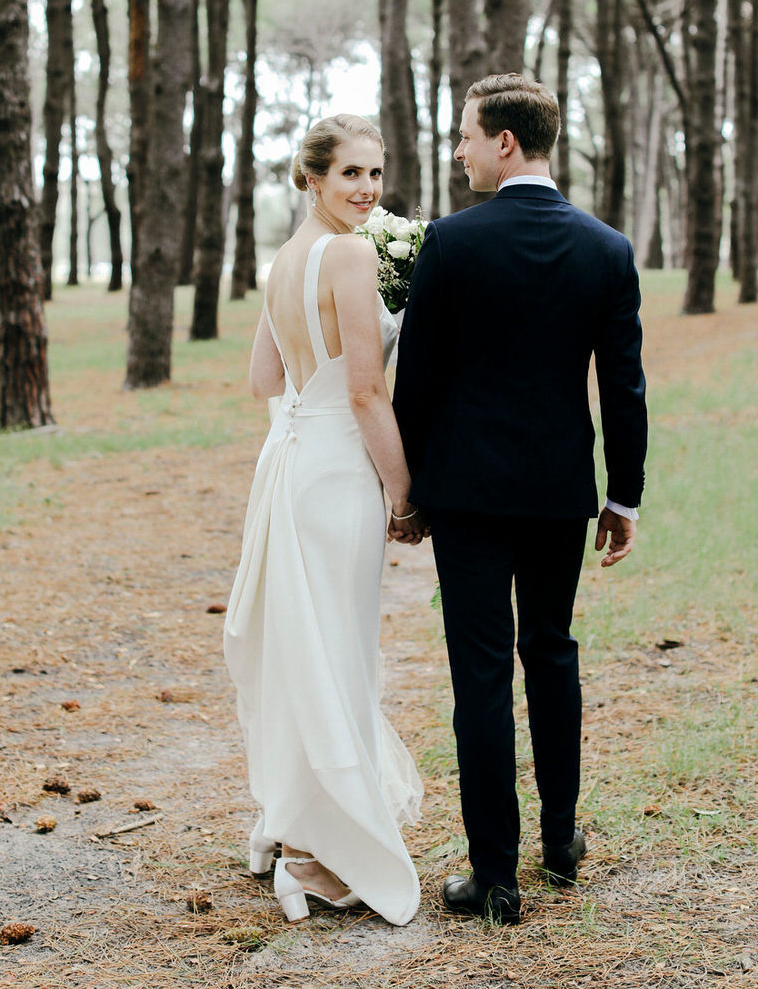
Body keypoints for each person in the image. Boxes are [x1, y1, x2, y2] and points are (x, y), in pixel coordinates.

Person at [393, 73, 648, 923]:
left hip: (465, 494)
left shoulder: (451, 243)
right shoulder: (605, 249)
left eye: (466, 135)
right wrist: (625, 498)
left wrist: (414, 488)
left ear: (506, 142)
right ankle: (562, 844)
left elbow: (416, 380)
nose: (458, 149)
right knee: (552, 652)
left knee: (480, 675)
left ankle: (494, 875)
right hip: (557, 493)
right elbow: (625, 389)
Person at [224, 114, 424, 927]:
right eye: (350, 175)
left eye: (376, 173)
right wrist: (405, 493)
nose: (368, 190)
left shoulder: (286, 258)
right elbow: (368, 392)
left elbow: (263, 377)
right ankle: (319, 854)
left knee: (305, 648)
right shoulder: (347, 254)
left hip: (292, 464)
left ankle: (296, 827)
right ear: (312, 178)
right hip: (339, 471)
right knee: (337, 651)